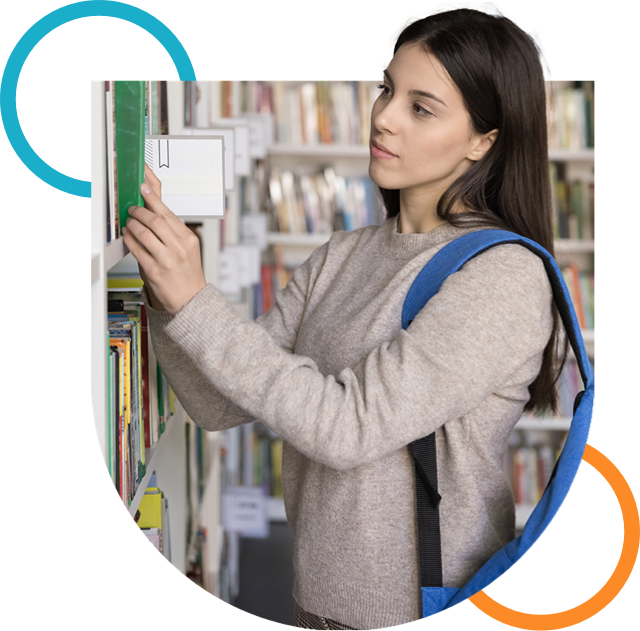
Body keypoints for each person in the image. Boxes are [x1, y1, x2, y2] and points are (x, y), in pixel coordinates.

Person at [122, 5, 568, 630]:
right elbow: (218, 403)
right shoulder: (343, 255)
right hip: (318, 605)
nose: (383, 116)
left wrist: (197, 301)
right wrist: (168, 296)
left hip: (420, 616)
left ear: (483, 141)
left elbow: (347, 428)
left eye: (421, 106)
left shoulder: (502, 277)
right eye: (387, 88)